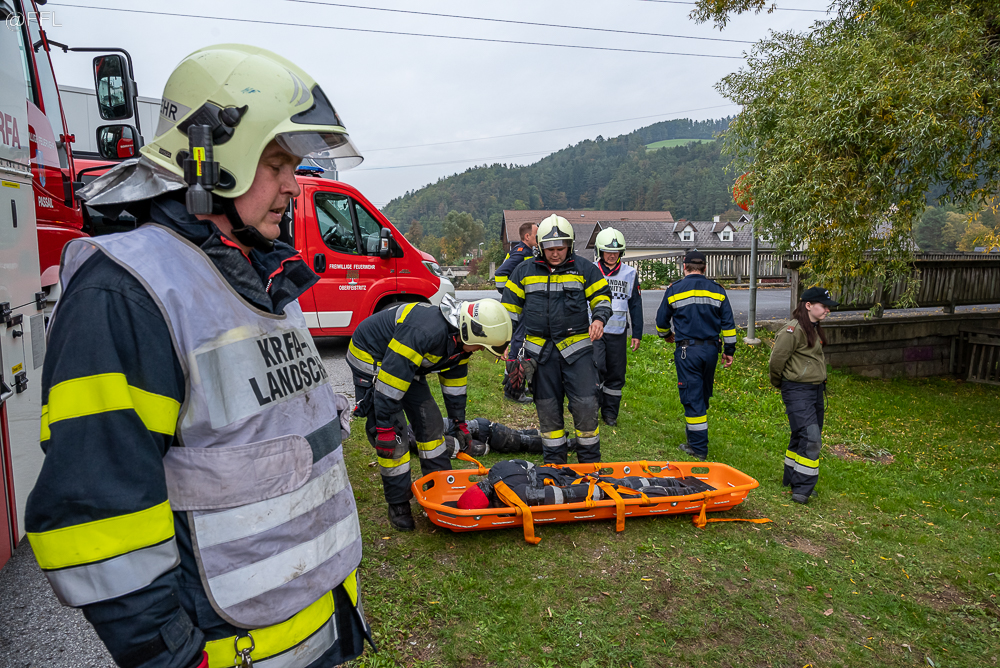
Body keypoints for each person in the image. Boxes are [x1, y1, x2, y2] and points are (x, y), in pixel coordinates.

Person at [25, 45, 372, 668]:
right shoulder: (126, 295)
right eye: (276, 163)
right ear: (210, 158)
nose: (293, 186)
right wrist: (173, 657)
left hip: (318, 627)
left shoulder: (263, 275)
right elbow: (96, 519)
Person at [348, 296, 511, 531]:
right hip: (373, 356)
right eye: (481, 346)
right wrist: (384, 427)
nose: (479, 351)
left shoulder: (460, 343)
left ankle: (439, 486)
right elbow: (388, 388)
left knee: (431, 424)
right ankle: (398, 504)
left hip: (406, 360)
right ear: (470, 332)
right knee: (395, 438)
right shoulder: (425, 332)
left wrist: (459, 423)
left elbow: (455, 387)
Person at [501, 214, 612, 465]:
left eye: (560, 248)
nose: (555, 254)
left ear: (569, 245)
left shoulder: (584, 269)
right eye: (549, 249)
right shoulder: (524, 271)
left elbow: (602, 297)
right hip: (540, 356)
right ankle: (554, 466)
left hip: (578, 354)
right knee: (548, 411)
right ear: (540, 246)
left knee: (586, 407)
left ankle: (590, 466)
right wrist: (503, 340)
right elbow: (508, 310)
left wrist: (599, 319)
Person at [655, 250, 737, 462]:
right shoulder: (718, 291)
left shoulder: (675, 289)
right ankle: (694, 438)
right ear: (705, 268)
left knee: (692, 397)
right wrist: (729, 351)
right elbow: (728, 325)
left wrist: (667, 335)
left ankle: (698, 448)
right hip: (711, 350)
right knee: (702, 394)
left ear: (684, 267)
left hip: (687, 351)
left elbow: (661, 322)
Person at [768, 286, 838, 505]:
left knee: (801, 435)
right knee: (811, 437)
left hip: (814, 390)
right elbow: (776, 360)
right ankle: (802, 490)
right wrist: (781, 383)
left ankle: (793, 479)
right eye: (823, 306)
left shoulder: (814, 329)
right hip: (798, 390)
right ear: (808, 305)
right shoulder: (793, 330)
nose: (827, 310)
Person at [592, 227, 643, 426]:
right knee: (596, 367)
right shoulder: (591, 270)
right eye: (608, 251)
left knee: (616, 373)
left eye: (616, 252)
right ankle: (592, 408)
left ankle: (610, 413)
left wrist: (637, 333)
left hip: (618, 332)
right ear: (600, 251)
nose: (612, 255)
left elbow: (635, 304)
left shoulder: (630, 273)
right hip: (595, 332)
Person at [495, 222, 538, 401]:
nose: (538, 237)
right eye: (536, 234)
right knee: (519, 344)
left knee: (520, 343)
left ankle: (514, 382)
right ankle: (513, 390)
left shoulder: (522, 251)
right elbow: (500, 274)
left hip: (521, 305)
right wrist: (512, 293)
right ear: (527, 236)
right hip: (519, 306)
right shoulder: (522, 253)